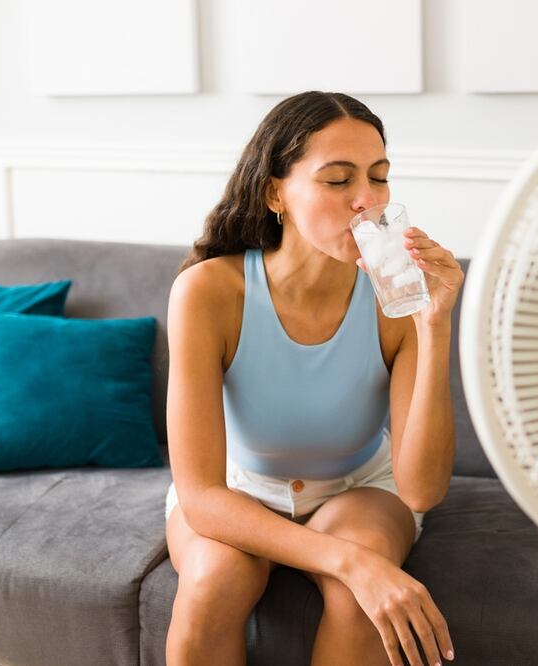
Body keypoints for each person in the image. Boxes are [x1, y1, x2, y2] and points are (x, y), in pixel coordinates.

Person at [164, 90, 464, 666]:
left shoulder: (395, 297)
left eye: (379, 178)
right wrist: (348, 560)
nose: (366, 201)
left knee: (360, 602)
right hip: (237, 492)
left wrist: (435, 324)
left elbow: (423, 490)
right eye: (337, 180)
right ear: (276, 191)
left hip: (359, 490)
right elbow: (202, 498)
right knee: (211, 584)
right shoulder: (207, 292)